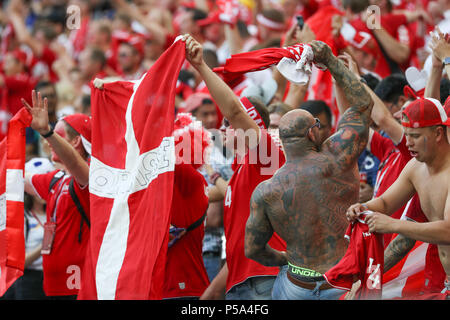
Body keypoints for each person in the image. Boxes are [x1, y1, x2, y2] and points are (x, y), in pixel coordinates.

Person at [244, 40, 374, 300]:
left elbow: (252, 249)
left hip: (296, 284)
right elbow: (362, 105)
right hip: (343, 281)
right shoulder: (339, 155)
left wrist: (284, 259)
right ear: (313, 132)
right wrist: (331, 61)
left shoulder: (266, 191)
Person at [183, 34, 286, 300]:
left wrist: (201, 66)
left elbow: (236, 111)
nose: (223, 127)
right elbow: (239, 249)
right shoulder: (240, 169)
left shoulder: (266, 159)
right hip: (240, 283)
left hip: (266, 279)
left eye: (229, 124)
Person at [347, 97, 450, 298]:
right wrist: (363, 207)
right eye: (407, 135)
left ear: (438, 133)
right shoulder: (415, 167)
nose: (408, 142)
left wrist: (392, 225)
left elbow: (448, 231)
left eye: (416, 136)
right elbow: (385, 202)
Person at [22, 90, 91, 299]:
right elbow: (16, 176)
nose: (49, 143)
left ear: (76, 142)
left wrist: (47, 132)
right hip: (51, 287)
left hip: (78, 287)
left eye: (59, 136)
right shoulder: (55, 178)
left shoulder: (92, 176)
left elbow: (79, 169)